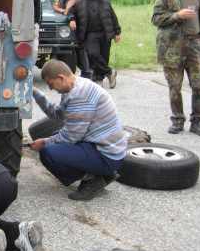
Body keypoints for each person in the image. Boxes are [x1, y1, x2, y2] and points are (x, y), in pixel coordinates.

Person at [30, 59, 127, 201]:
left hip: (107, 156)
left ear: (61, 78)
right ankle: (104, 174)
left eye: (50, 84)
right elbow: (57, 115)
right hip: (104, 147)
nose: (50, 89)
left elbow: (69, 138)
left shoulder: (79, 96)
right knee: (54, 136)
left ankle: (92, 180)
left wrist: (43, 143)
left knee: (48, 153)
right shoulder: (77, 85)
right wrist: (36, 92)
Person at [152, 0, 200, 137]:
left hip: (196, 44)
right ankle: (177, 120)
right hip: (173, 46)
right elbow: (156, 18)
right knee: (175, 86)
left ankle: (198, 121)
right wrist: (176, 15)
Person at [67, 0, 121, 87]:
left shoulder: (104, 1)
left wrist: (117, 32)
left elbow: (113, 17)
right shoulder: (80, 1)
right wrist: (72, 20)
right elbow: (71, 12)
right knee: (93, 54)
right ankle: (110, 73)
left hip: (105, 32)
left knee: (104, 56)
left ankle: (99, 79)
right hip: (91, 33)